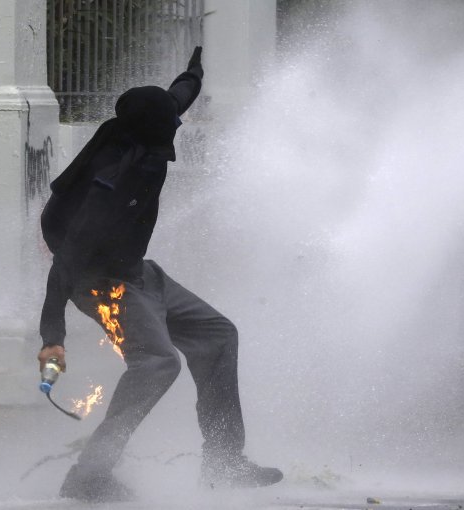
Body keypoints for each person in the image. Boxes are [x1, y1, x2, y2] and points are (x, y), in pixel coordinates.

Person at [37, 47, 283, 503]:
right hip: (100, 284)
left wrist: (195, 71)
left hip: (141, 274)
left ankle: (225, 462)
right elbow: (66, 260)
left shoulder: (149, 122)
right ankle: (89, 475)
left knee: (218, 334)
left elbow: (177, 97)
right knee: (157, 363)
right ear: (152, 133)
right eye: (170, 128)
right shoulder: (112, 180)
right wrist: (53, 335)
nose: (177, 130)